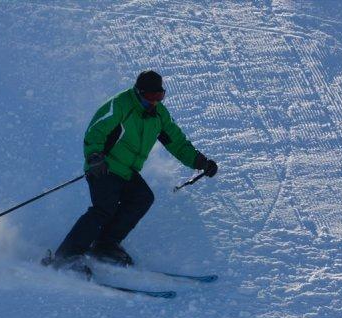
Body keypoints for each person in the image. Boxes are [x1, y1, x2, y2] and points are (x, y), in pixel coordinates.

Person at [41, 70, 218, 278]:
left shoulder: (159, 115)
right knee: (103, 208)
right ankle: (65, 256)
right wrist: (94, 157)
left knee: (142, 198)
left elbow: (177, 143)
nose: (154, 102)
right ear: (139, 92)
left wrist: (200, 162)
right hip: (104, 166)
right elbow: (96, 130)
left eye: (159, 97)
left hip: (127, 170)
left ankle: (105, 244)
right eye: (150, 97)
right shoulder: (120, 105)